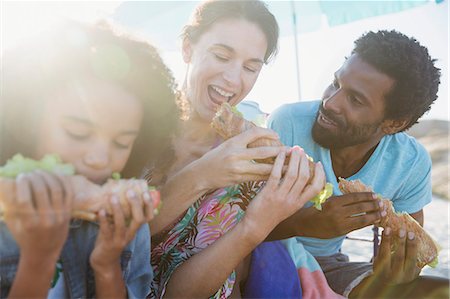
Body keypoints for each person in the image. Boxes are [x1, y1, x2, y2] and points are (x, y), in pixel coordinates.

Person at [147, 1, 326, 298]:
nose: (233, 79)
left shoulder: (253, 155)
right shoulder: (134, 128)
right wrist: (203, 175)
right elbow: (116, 240)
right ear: (188, 48)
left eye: (250, 67)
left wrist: (258, 224)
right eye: (221, 56)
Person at [0, 21, 179, 298]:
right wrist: (38, 262)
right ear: (29, 121)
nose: (99, 159)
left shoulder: (129, 226)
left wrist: (107, 266)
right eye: (78, 133)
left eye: (121, 143)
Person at [268, 30, 449, 298]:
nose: (330, 103)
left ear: (394, 123)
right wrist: (304, 223)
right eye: (335, 83)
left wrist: (398, 273)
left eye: (355, 100)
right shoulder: (288, 123)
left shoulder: (409, 163)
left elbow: (408, 261)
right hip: (266, 251)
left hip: (329, 267)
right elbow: (233, 225)